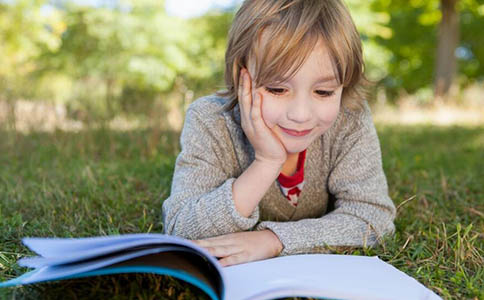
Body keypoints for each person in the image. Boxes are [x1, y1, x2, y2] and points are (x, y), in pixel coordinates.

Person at [162, 0, 396, 267]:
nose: (300, 114)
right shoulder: (210, 121)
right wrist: (266, 163)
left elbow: (373, 217)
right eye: (276, 89)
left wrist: (274, 240)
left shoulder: (349, 120)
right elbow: (181, 228)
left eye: (323, 92)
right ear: (242, 77)